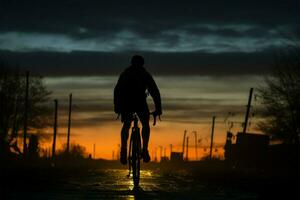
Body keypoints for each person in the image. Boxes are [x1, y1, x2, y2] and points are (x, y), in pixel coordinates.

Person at [114, 55, 162, 165]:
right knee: (145, 124)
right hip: (140, 103)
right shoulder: (145, 74)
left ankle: (123, 151)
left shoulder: (125, 73)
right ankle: (144, 149)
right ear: (142, 64)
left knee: (126, 125)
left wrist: (117, 107)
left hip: (127, 103)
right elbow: (155, 92)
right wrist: (158, 109)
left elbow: (117, 90)